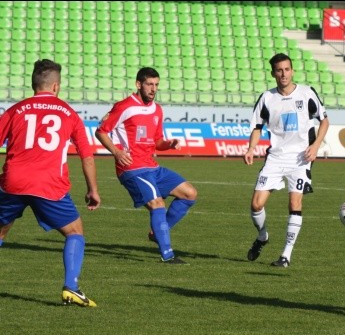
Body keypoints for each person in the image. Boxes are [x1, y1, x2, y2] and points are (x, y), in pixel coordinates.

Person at [0, 59, 101, 307]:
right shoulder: (69, 114)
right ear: (55, 86)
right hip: (49, 185)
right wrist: (93, 190)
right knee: (75, 232)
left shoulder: (15, 110)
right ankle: (71, 287)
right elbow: (86, 156)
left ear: (34, 83)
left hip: (13, 182)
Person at [95, 67, 197, 265]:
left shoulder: (157, 109)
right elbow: (101, 131)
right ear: (138, 84)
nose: (153, 89)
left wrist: (169, 144)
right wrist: (116, 152)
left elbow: (157, 141)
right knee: (157, 204)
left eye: (156, 85)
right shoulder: (124, 106)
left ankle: (157, 231)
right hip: (132, 168)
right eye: (150, 84)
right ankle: (167, 255)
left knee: (190, 193)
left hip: (152, 166)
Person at [243, 53, 330, 268]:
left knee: (294, 203)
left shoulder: (307, 93)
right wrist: (251, 148)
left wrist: (316, 145)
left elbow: (324, 120)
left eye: (287, 69)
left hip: (301, 158)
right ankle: (263, 236)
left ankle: (285, 256)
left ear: (292, 70)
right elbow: (257, 127)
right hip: (275, 157)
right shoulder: (267, 98)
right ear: (273, 73)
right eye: (279, 70)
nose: (284, 74)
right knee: (256, 204)